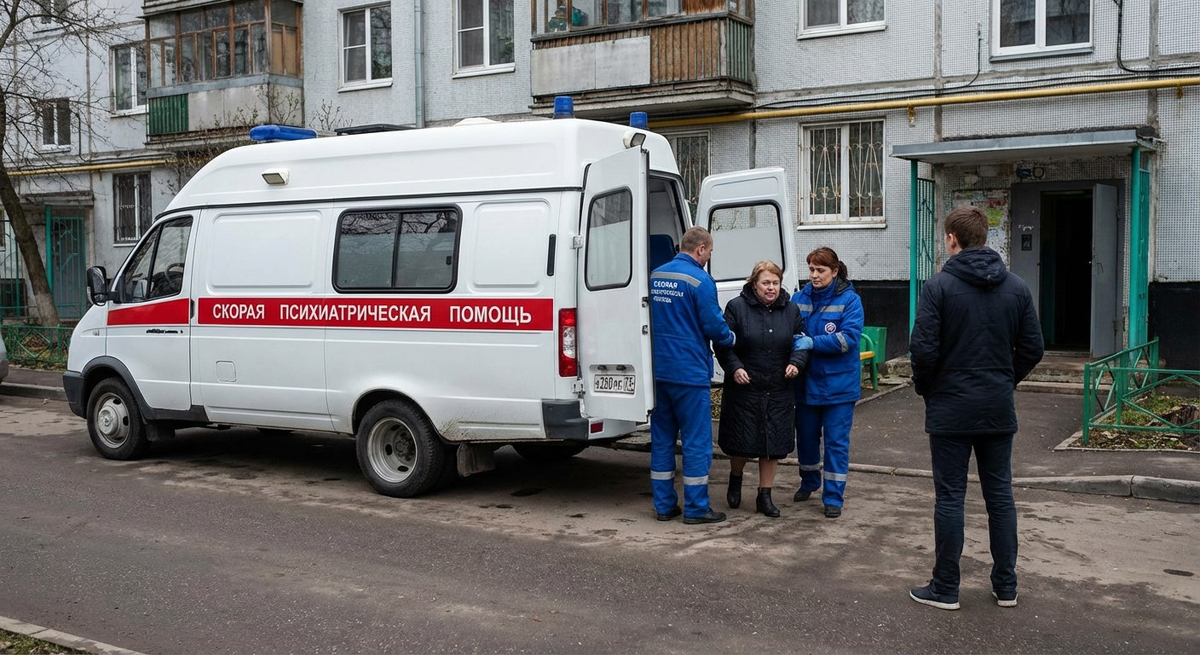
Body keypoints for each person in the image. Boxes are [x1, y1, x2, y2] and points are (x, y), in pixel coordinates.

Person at [907, 205, 1044, 611]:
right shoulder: (1016, 287)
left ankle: (946, 588)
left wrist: (929, 390)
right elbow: (1033, 349)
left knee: (950, 497)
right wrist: (1004, 380)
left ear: (953, 239)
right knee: (1000, 496)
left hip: (950, 409)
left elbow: (923, 351)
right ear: (984, 237)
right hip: (997, 408)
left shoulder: (938, 287)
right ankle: (1006, 587)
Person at [649, 227, 735, 525]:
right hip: (689, 373)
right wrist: (732, 338)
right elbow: (714, 326)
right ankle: (697, 509)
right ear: (700, 249)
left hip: (658, 372)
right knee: (696, 442)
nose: (709, 257)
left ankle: (664, 506)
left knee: (661, 440)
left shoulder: (655, 276)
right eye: (709, 252)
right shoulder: (700, 280)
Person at [715, 261, 811, 518]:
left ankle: (764, 495)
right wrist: (734, 368)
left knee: (772, 445)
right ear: (754, 284)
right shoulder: (736, 307)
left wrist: (796, 363)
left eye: (775, 283)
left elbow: (802, 342)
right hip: (745, 386)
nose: (771, 288)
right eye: (766, 283)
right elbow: (723, 345)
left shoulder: (791, 310)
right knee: (741, 444)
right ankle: (735, 477)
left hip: (778, 387)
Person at [791, 247, 864, 519]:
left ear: (834, 271)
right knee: (807, 439)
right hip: (806, 384)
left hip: (838, 388)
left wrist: (812, 342)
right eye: (811, 269)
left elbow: (848, 339)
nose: (814, 275)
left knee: (836, 443)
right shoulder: (798, 298)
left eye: (820, 270)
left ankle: (833, 497)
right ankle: (809, 481)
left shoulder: (850, 300)